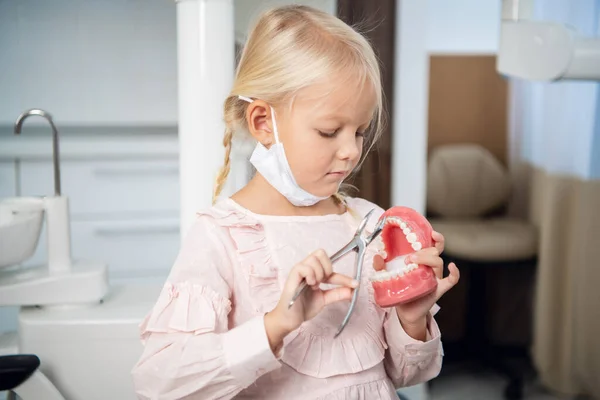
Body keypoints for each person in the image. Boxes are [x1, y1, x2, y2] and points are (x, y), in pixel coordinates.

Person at [131, 5, 460, 399]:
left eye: (359, 132)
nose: (351, 152)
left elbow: (407, 374)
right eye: (329, 131)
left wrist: (411, 317)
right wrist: (274, 326)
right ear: (263, 122)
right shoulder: (223, 237)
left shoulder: (369, 224)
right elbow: (160, 382)